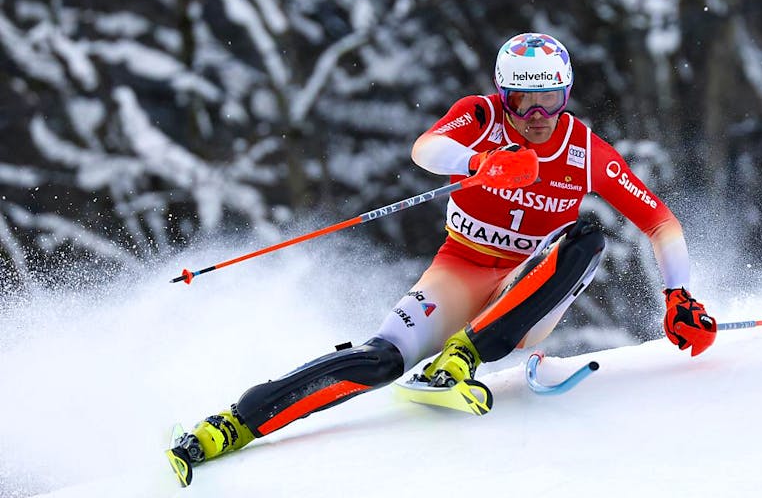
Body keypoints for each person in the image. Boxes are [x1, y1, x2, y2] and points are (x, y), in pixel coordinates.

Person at [167, 32, 717, 485]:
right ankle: (233, 424)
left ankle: (463, 358)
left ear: (566, 95)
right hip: (459, 269)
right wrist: (485, 160)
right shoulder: (481, 117)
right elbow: (427, 149)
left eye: (551, 99)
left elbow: (660, 222)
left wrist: (678, 295)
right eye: (524, 101)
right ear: (504, 96)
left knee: (588, 237)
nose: (537, 115)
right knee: (381, 358)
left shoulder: (583, 150)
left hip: (528, 289)